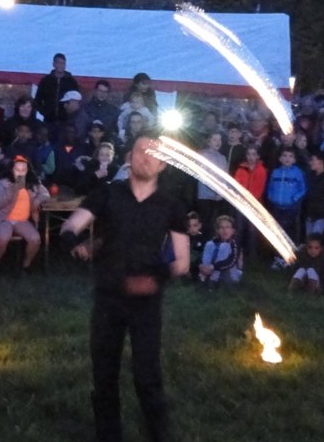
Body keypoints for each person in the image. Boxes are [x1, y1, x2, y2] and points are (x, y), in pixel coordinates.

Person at [60, 130, 189, 442]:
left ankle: (158, 434)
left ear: (163, 165)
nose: (147, 155)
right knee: (104, 373)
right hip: (108, 297)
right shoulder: (108, 193)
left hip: (146, 301)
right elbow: (71, 225)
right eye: (140, 149)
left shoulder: (171, 204)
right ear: (129, 157)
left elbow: (182, 261)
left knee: (147, 374)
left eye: (154, 152)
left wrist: (155, 279)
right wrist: (78, 244)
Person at [0, 156, 50, 273]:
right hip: (4, 218)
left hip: (22, 220)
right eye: (17, 169)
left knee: (35, 239)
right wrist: (13, 190)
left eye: (23, 170)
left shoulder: (32, 183)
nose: (20, 173)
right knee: (3, 238)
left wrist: (38, 199)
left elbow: (46, 194)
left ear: (27, 171)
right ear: (12, 170)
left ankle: (25, 266)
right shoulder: (3, 183)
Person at [233, 145, 268, 259]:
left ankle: (252, 256)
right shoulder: (240, 169)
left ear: (258, 156)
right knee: (239, 228)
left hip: (255, 204)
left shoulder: (261, 170)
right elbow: (237, 185)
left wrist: (250, 201)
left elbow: (259, 188)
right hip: (241, 203)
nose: (251, 157)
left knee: (252, 230)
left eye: (253, 154)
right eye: (249, 154)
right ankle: (236, 254)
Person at [198, 215, 243, 290]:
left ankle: (213, 280)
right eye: (221, 227)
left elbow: (230, 261)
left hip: (229, 272)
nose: (224, 230)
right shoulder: (212, 243)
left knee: (224, 247)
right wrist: (203, 267)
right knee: (209, 245)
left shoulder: (235, 244)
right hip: (211, 269)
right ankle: (205, 278)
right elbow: (206, 256)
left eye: (227, 227)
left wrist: (212, 267)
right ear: (217, 230)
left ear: (232, 230)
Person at [34, 53, 79, 125]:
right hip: (48, 121)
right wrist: (44, 111)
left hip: (67, 121)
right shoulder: (45, 81)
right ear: (54, 64)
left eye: (63, 63)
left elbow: (76, 100)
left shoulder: (71, 82)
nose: (60, 65)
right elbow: (38, 99)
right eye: (58, 63)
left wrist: (70, 113)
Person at [187, 211, 206, 281]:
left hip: (198, 264)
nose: (192, 228)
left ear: (199, 225)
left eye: (195, 225)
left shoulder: (203, 238)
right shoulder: (185, 238)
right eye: (189, 226)